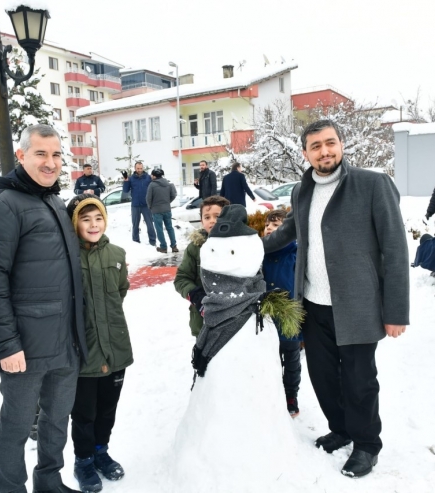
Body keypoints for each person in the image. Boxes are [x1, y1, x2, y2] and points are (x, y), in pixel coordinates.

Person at [262, 119, 409, 478]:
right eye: (316, 146)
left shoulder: (373, 185)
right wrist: (250, 248)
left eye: (330, 143)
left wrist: (396, 311)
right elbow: (288, 231)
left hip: (358, 305)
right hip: (312, 303)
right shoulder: (302, 190)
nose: (324, 151)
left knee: (359, 381)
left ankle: (366, 444)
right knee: (323, 376)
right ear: (305, 153)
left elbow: (395, 248)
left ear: (341, 144)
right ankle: (341, 428)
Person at [0, 124, 87, 493]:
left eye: (56, 155)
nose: (50, 162)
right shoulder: (3, 205)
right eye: (41, 153)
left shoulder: (52, 200)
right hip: (26, 345)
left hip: (65, 340)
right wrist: (5, 344)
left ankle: (49, 481)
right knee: (17, 425)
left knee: (57, 420)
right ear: (21, 156)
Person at [65, 194, 132, 493]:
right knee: (83, 413)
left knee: (108, 409)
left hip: (115, 346)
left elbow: (121, 291)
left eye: (98, 218)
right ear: (74, 223)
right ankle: (83, 460)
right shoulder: (65, 258)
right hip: (84, 350)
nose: (93, 225)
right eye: (85, 219)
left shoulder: (117, 254)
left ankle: (101, 452)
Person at [262, 209, 302, 417]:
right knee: (270, 357)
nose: (269, 228)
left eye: (276, 226)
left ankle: (290, 394)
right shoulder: (258, 254)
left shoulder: (296, 254)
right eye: (267, 225)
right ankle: (270, 393)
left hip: (288, 316)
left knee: (291, 357)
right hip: (264, 317)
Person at [173, 195, 230, 338]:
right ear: (201, 220)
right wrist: (195, 295)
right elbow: (181, 279)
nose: (212, 221)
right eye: (207, 217)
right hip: (203, 321)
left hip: (234, 318)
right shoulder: (195, 248)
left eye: (217, 216)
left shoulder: (239, 245)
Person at [122, 161, 156, 245]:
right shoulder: (131, 178)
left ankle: (152, 241)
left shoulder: (148, 178)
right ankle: (136, 241)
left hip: (146, 205)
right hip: (135, 205)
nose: (139, 170)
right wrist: (126, 181)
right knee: (135, 225)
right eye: (138, 168)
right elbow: (125, 190)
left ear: (143, 168)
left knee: (150, 224)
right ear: (135, 168)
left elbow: (154, 189)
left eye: (141, 168)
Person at [146, 168, 178, 253]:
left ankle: (163, 247)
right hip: (167, 209)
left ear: (154, 176)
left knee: (159, 229)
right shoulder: (168, 183)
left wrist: (150, 207)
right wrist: (167, 202)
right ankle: (174, 246)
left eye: (152, 175)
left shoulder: (152, 185)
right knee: (170, 228)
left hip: (156, 211)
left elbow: (148, 198)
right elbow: (174, 194)